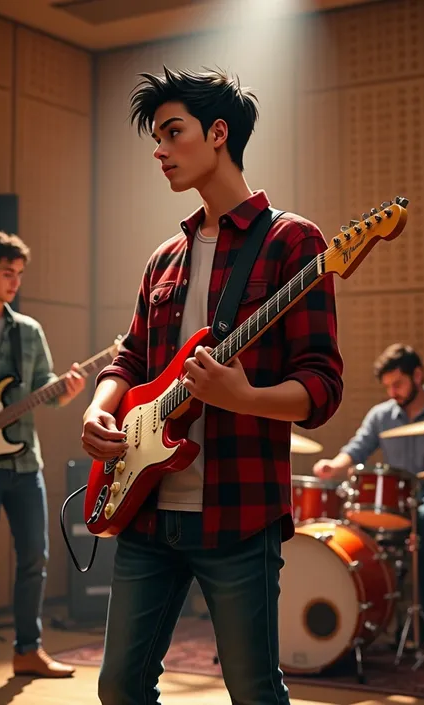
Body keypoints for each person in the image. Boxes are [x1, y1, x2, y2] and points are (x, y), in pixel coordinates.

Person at [82, 67, 343, 705]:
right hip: (144, 511)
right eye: (156, 137)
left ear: (218, 133)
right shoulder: (162, 260)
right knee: (118, 688)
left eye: (173, 133)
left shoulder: (293, 241)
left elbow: (322, 382)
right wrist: (100, 408)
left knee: (254, 690)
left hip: (238, 512)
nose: (159, 150)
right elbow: (131, 360)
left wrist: (246, 398)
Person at [0, 231, 86, 696]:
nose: (15, 282)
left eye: (19, 275)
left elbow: (46, 389)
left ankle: (27, 650)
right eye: (7, 273)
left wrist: (67, 390)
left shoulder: (31, 331)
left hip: (26, 465)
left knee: (34, 559)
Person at [314, 343, 424, 639]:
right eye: (387, 386)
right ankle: (367, 620)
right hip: (394, 501)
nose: (392, 393)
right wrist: (332, 466)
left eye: (397, 384)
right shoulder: (381, 415)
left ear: (418, 375)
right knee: (354, 528)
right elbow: (357, 449)